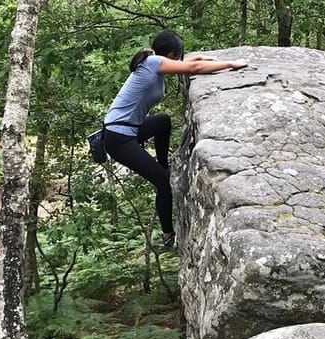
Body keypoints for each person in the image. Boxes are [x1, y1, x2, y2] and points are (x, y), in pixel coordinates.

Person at [103, 29, 247, 248]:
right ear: (171, 55)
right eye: (179, 56)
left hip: (128, 128)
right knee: (162, 182)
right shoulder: (153, 63)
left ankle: (163, 165)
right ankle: (168, 235)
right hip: (118, 137)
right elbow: (193, 68)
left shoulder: (153, 60)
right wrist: (230, 64)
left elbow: (189, 63)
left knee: (162, 121)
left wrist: (199, 57)